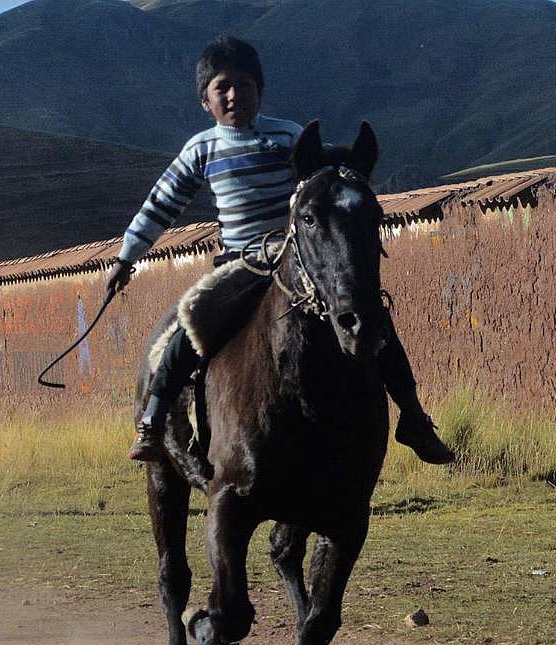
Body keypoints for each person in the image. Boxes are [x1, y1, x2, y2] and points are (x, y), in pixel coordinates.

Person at [107, 36, 454, 465]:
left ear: (260, 90)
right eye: (223, 87)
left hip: (295, 259)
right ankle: (154, 420)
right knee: (189, 323)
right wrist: (127, 256)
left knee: (373, 319)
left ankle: (414, 418)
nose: (236, 95)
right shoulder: (201, 149)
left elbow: (328, 180)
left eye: (246, 85)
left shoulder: (289, 138)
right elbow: (161, 205)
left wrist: (349, 164)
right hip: (241, 263)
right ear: (205, 101)